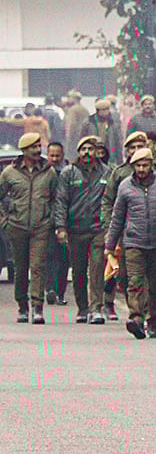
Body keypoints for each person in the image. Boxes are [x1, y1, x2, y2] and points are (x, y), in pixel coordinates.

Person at [105, 148, 156, 340]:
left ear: (152, 165)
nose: (142, 169)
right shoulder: (125, 186)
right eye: (138, 166)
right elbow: (117, 217)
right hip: (134, 241)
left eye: (145, 165)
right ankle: (136, 318)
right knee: (135, 281)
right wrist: (110, 244)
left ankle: (154, 322)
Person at [0, 133, 59, 323]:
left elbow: (56, 199)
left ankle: (37, 306)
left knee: (38, 266)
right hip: (17, 226)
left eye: (38, 146)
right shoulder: (9, 173)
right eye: (33, 147)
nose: (37, 150)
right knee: (20, 267)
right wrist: (5, 220)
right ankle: (22, 306)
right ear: (24, 150)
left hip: (41, 226)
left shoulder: (48, 172)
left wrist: (51, 220)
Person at [54, 136, 112, 324]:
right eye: (83, 149)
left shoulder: (106, 173)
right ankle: (82, 307)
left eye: (91, 149)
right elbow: (61, 201)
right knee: (78, 270)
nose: (87, 153)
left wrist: (110, 227)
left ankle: (96, 308)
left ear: (97, 152)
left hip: (98, 228)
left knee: (96, 269)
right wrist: (61, 227)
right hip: (75, 228)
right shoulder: (68, 173)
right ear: (78, 152)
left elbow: (112, 201)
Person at [100, 131, 151, 322]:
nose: (137, 151)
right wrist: (109, 227)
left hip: (148, 231)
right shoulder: (119, 173)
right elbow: (107, 201)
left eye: (140, 147)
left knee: (143, 275)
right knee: (118, 271)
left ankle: (142, 312)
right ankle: (109, 301)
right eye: (133, 148)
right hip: (123, 230)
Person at [44, 142, 69, 306]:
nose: (54, 159)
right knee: (49, 257)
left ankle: (60, 292)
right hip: (47, 221)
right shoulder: (43, 173)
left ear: (62, 155)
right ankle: (50, 289)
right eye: (51, 155)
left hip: (67, 223)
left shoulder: (69, 173)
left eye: (57, 155)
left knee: (65, 259)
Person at [82, 98, 125, 165]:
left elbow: (117, 142)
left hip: (108, 154)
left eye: (107, 109)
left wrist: (120, 161)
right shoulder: (89, 122)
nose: (106, 112)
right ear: (98, 111)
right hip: (92, 154)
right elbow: (82, 140)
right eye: (104, 110)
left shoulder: (112, 123)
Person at [62, 90, 91, 155]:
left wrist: (68, 138)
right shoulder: (85, 109)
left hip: (73, 139)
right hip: (84, 138)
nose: (68, 99)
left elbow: (71, 125)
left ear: (74, 98)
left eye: (69, 97)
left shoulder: (73, 110)